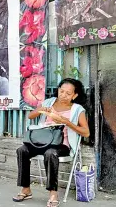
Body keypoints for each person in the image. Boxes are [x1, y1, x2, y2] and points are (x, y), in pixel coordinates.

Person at [12, 78, 90, 207]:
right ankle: (26, 189)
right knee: (22, 150)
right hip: (43, 141)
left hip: (62, 144)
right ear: (58, 90)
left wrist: (65, 121)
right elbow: (31, 116)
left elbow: (86, 132)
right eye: (62, 91)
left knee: (50, 153)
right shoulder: (49, 102)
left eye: (68, 93)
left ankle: (53, 193)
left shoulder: (77, 109)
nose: (63, 95)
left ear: (75, 95)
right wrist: (43, 109)